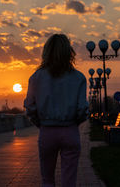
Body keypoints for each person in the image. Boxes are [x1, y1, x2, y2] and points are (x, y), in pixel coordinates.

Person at [24, 34, 89, 187]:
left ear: (46, 52)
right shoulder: (79, 78)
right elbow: (82, 109)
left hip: (47, 131)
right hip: (70, 131)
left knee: (47, 180)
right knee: (69, 181)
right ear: (69, 52)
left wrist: (41, 123)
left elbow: (30, 106)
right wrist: (73, 123)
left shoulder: (36, 77)